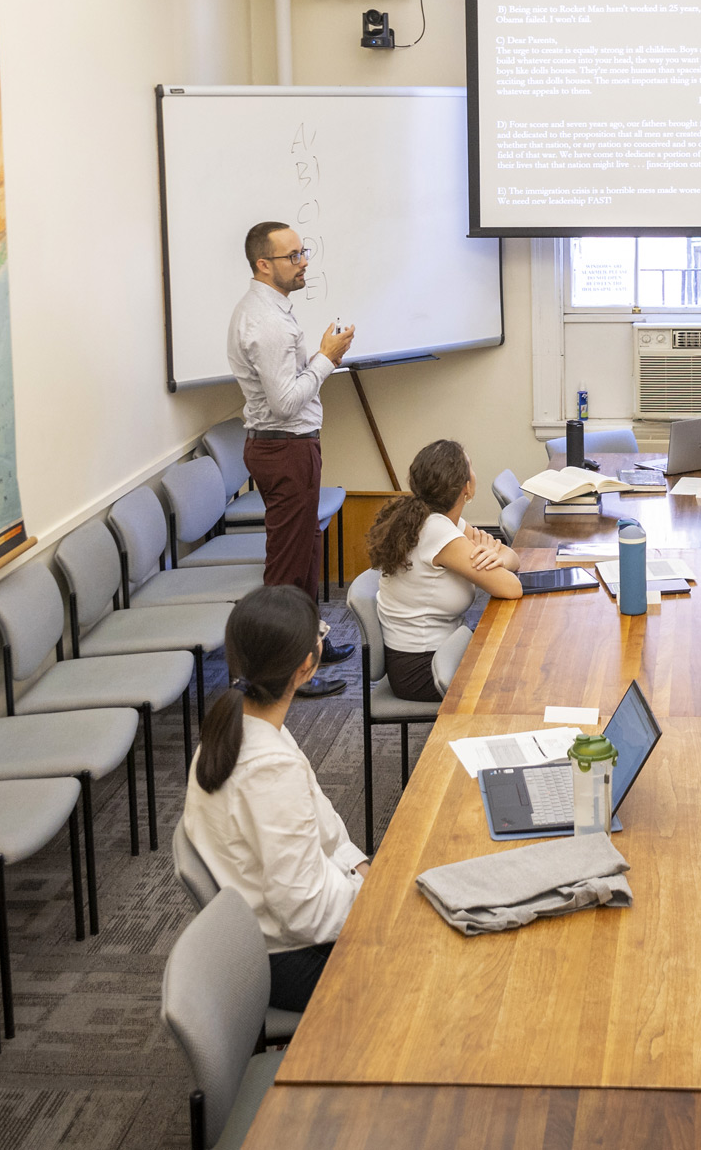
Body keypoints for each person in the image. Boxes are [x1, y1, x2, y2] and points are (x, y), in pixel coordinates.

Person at [182, 586, 367, 1011]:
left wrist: (360, 869)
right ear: (307, 665)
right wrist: (378, 904)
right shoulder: (267, 768)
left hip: (280, 925)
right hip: (287, 956)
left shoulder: (245, 725)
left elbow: (325, 825)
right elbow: (305, 911)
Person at [228, 219, 356, 696]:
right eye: (294, 256)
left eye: (304, 253)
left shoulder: (273, 309)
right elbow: (284, 402)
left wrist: (322, 357)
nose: (304, 263)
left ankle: (307, 646)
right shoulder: (264, 321)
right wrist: (326, 357)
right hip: (283, 447)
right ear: (264, 264)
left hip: (291, 446)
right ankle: (280, 673)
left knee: (305, 553)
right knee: (286, 566)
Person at [368, 440, 523, 702]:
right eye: (470, 467)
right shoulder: (437, 531)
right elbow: (511, 588)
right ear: (466, 488)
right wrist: (496, 558)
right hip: (423, 668)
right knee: (519, 672)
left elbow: (513, 558)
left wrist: (497, 557)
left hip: (437, 651)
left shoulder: (436, 519)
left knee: (516, 655)